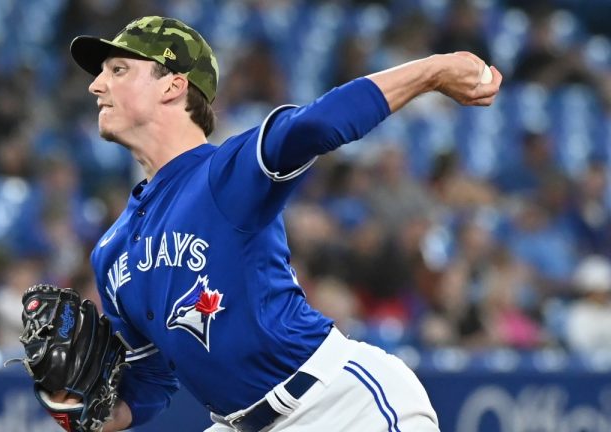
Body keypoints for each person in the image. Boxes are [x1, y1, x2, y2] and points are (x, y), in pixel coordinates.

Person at [43, 15, 501, 432]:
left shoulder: (224, 174)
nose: (96, 86)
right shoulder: (112, 250)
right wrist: (85, 412)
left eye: (117, 70)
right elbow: (148, 381)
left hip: (335, 406)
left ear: (173, 86)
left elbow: (313, 126)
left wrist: (434, 70)